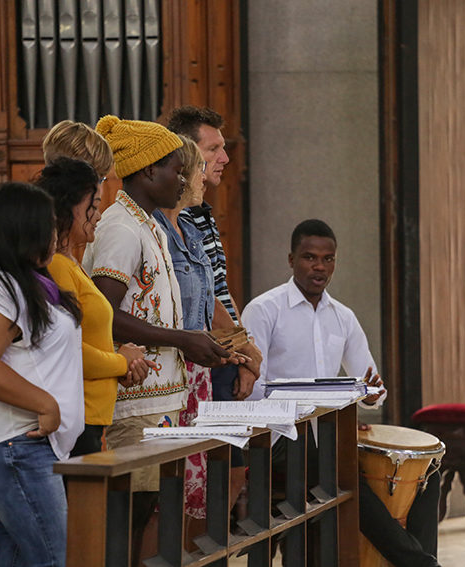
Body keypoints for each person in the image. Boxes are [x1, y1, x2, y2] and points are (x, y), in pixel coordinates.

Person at [82, 115, 243, 562]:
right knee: (129, 523)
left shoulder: (149, 225)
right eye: (176, 169)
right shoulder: (121, 227)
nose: (184, 180)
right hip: (134, 401)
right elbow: (104, 316)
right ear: (149, 170)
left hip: (160, 401)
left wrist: (197, 341)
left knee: (150, 516)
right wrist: (182, 340)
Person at [241, 219, 441, 567]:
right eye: (309, 257)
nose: (319, 267)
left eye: (328, 259)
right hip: (276, 438)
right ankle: (421, 565)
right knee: (336, 468)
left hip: (329, 437)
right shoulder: (264, 310)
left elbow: (373, 386)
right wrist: (310, 411)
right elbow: (253, 392)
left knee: (427, 470)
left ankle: (421, 560)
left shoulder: (343, 317)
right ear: (291, 259)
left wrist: (369, 395)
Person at [0, 182, 84, 566]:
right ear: (24, 228)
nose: (56, 234)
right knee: (56, 559)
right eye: (49, 225)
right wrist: (45, 404)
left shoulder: (27, 282)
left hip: (23, 447)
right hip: (14, 446)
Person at [167, 105, 262, 509]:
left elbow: (218, 289)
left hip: (223, 351)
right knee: (211, 478)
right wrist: (245, 349)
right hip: (201, 355)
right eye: (213, 149)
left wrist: (243, 349)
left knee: (232, 472)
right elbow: (202, 301)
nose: (225, 158)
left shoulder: (200, 214)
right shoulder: (174, 218)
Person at [35, 156, 151, 457]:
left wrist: (123, 361)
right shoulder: (56, 266)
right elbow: (65, 348)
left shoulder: (70, 263)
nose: (98, 216)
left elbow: (87, 337)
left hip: (90, 415)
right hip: (76, 414)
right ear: (72, 207)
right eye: (94, 206)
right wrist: (121, 362)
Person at [153, 135, 215, 523]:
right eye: (198, 170)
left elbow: (208, 301)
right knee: (164, 494)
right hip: (170, 367)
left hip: (198, 370)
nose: (204, 177)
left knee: (195, 492)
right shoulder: (154, 229)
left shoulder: (190, 229)